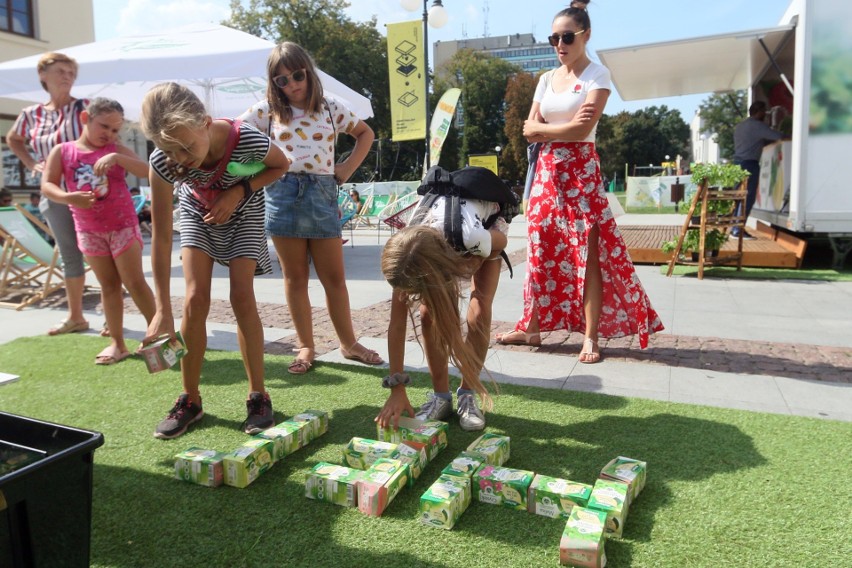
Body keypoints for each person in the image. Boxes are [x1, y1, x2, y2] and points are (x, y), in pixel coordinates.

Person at [495, 1, 664, 362]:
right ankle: (532, 327)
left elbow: (582, 128)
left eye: (567, 36)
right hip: (546, 175)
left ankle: (591, 336)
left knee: (586, 255)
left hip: (581, 176)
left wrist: (546, 129)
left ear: (586, 35)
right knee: (540, 250)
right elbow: (528, 131)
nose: (560, 44)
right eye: (553, 37)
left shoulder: (597, 75)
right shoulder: (545, 79)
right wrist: (555, 130)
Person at [139, 82, 290, 438]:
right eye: (169, 150)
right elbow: (160, 239)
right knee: (194, 299)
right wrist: (162, 307)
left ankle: (258, 395)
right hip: (196, 210)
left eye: (187, 147)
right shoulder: (162, 162)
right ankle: (190, 400)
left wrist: (239, 191)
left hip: (245, 209)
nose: (181, 159)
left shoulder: (246, 140)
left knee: (241, 295)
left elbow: (281, 164)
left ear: (206, 122)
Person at [239, 42, 382, 375]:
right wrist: (254, 172)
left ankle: (348, 343)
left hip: (321, 193)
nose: (291, 85)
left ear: (309, 71)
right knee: (295, 278)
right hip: (282, 193)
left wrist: (345, 169)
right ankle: (306, 345)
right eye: (281, 80)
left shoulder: (331, 107)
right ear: (273, 84)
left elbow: (365, 133)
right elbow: (234, 137)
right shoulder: (266, 112)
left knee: (334, 278)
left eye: (297, 75)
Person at [375, 168, 511, 432]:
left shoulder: (470, 236)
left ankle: (467, 393)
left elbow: (501, 240)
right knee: (429, 314)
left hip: (488, 227)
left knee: (480, 309)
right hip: (443, 236)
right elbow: (397, 324)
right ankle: (441, 397)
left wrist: (472, 263)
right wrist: (397, 387)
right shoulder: (405, 248)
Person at [41, 98, 156, 365]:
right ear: (85, 119)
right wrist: (69, 197)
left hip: (122, 227)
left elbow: (150, 173)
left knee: (135, 282)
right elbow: (47, 185)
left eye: (115, 130)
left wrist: (117, 156)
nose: (109, 134)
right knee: (109, 285)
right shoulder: (64, 151)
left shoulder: (116, 149)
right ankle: (117, 343)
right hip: (89, 230)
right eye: (104, 126)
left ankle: (158, 333)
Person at [6, 52, 92, 336]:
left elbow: (107, 137)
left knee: (103, 252)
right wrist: (31, 164)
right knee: (69, 254)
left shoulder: (85, 108)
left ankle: (112, 314)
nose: (67, 75)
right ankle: (76, 316)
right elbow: (13, 139)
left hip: (88, 193)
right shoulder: (31, 114)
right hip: (54, 193)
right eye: (61, 70)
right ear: (43, 75)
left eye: (71, 71)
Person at [731, 101, 782, 239]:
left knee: (738, 196)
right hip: (749, 164)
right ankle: (738, 230)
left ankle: (734, 227)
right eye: (764, 112)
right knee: (747, 197)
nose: (765, 115)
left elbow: (754, 142)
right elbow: (778, 136)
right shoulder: (758, 126)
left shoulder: (741, 126)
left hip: (737, 163)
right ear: (758, 112)